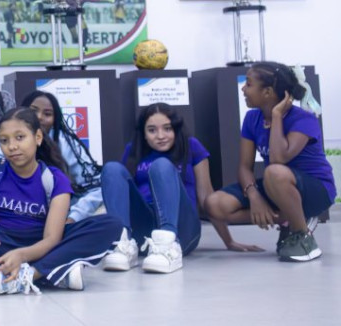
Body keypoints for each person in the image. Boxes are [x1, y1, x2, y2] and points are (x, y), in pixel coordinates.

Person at [0, 107, 122, 294]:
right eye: (4, 140)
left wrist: (21, 255)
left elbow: (52, 239)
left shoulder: (55, 179)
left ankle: (30, 274)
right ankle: (54, 270)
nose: (12, 146)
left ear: (38, 137)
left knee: (111, 224)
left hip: (41, 244)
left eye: (20, 137)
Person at [205, 63, 335, 261]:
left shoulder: (304, 119)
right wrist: (254, 197)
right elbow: (244, 167)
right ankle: (288, 218)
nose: (243, 89)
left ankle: (302, 236)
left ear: (267, 92)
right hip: (276, 186)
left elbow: (278, 158)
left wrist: (276, 115)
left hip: (316, 190)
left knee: (274, 172)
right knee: (215, 204)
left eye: (249, 84)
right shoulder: (252, 118)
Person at [100, 103, 212, 274]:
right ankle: (123, 244)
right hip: (145, 229)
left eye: (167, 128)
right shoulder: (133, 149)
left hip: (182, 227)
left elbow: (206, 198)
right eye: (152, 130)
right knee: (111, 169)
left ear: (176, 128)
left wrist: (228, 240)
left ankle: (168, 245)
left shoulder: (191, 146)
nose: (161, 136)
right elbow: (121, 191)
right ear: (144, 134)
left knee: (161, 165)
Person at [22, 90, 103, 223]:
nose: (39, 117)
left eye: (47, 114)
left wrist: (73, 217)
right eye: (33, 110)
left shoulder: (66, 143)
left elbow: (95, 188)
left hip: (65, 214)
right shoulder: (9, 141)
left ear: (55, 119)